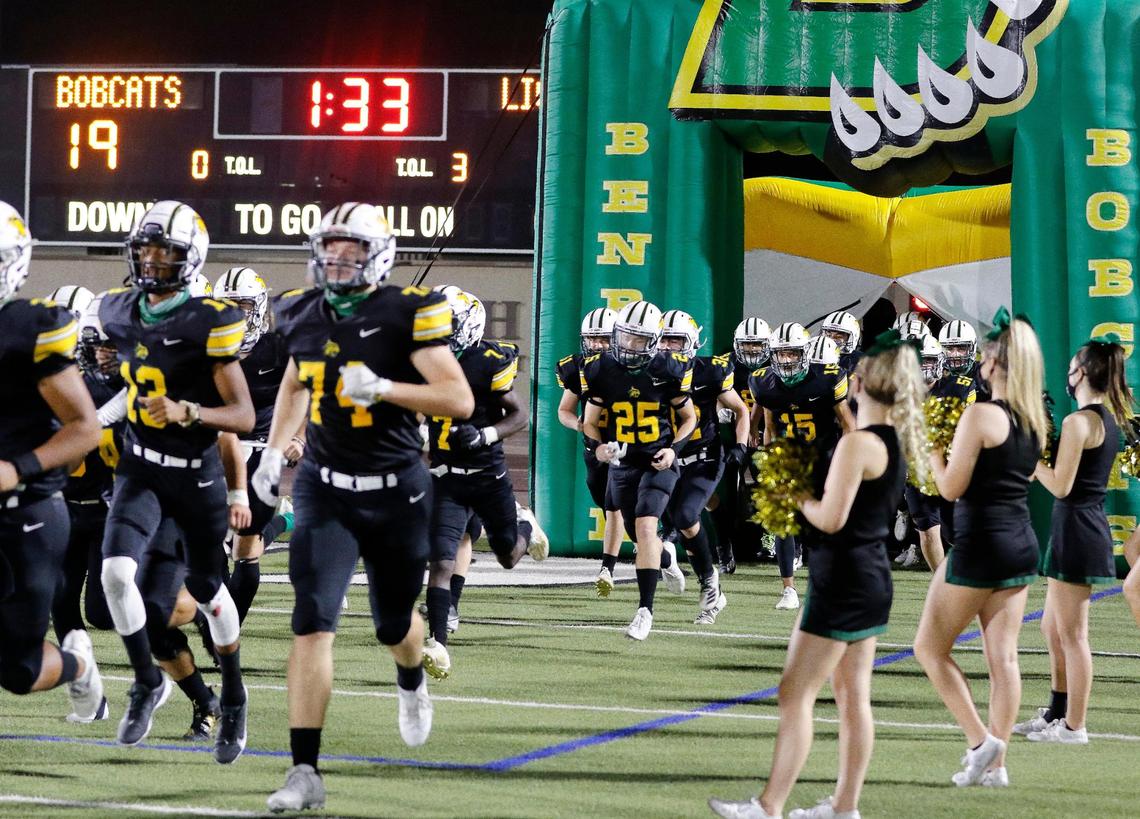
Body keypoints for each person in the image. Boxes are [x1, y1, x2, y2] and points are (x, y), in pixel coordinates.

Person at [254, 203, 474, 812]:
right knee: (312, 619)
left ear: (376, 255)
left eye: (350, 249)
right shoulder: (299, 308)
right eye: (329, 246)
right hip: (325, 489)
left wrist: (384, 388)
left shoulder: (409, 312)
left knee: (392, 625)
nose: (336, 259)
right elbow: (298, 379)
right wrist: (276, 452)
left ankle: (410, 678)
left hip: (396, 491)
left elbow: (457, 399)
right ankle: (305, 771)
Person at [710, 330, 925, 819]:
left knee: (795, 692)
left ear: (869, 383)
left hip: (843, 578)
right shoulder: (890, 441)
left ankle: (769, 806)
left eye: (859, 373)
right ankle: (844, 806)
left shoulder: (859, 444)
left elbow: (829, 518)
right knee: (852, 697)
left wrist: (790, 492)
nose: (851, 376)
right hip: (868, 577)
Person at [98, 200, 255, 761]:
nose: (152, 259)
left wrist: (189, 412)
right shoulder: (116, 310)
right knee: (116, 575)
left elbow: (242, 416)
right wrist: (98, 419)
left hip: (194, 480)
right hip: (141, 471)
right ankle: (146, 679)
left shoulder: (209, 319)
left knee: (210, 590)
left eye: (167, 250)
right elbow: (135, 381)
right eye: (145, 247)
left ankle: (233, 693)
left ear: (191, 258)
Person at [913, 307, 1048, 787]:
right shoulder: (1037, 419)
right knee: (1004, 659)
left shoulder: (981, 414)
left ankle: (979, 741)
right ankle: (997, 767)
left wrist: (931, 445)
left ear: (991, 363)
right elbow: (1025, 475)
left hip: (980, 545)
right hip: (1020, 543)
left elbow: (948, 488)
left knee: (928, 648)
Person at [0, 200, 104, 722]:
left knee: (17, 670)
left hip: (27, 513)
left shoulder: (27, 331)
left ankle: (79, 667)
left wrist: (16, 468)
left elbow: (86, 428)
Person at [421, 285, 547, 680]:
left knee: (509, 556)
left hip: (486, 474)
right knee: (439, 561)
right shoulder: (422, 358)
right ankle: (437, 643)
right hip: (445, 477)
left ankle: (523, 522)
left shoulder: (488, 360)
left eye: (447, 323)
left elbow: (519, 414)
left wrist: (485, 434)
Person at [1015, 337, 1132, 744]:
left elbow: (1062, 486)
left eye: (1070, 367)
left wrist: (1032, 463)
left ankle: (1075, 726)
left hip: (1078, 528)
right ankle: (1057, 710)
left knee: (1074, 633)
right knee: (1052, 627)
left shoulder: (1079, 422)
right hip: (1076, 527)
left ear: (1082, 372)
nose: (1067, 373)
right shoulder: (1102, 417)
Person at [581, 300, 695, 641]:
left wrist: (673, 450)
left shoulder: (669, 368)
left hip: (657, 462)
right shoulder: (600, 368)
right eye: (626, 337)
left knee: (646, 528)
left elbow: (689, 417)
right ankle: (666, 559)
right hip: (623, 464)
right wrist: (596, 447)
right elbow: (589, 422)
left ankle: (644, 610)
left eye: (639, 339)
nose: (630, 346)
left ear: (654, 341)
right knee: (640, 535)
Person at [213, 266, 302, 624]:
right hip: (216, 449)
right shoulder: (208, 350)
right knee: (210, 544)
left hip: (263, 451)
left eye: (243, 306)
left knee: (246, 550)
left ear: (261, 308)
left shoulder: (279, 350)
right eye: (227, 306)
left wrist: (299, 437)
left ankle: (225, 635)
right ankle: (218, 626)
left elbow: (307, 394)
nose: (235, 314)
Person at [51, 291, 123, 723]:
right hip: (64, 506)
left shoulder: (116, 386)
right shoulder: (52, 384)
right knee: (60, 601)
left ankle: (162, 671)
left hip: (108, 506)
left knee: (100, 610)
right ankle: (90, 692)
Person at [751, 322, 854, 610]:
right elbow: (769, 424)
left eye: (792, 353)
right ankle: (789, 589)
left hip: (824, 455)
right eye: (780, 354)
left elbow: (848, 424)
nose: (785, 360)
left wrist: (845, 460)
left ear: (805, 353)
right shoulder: (764, 382)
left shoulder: (826, 378)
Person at [659, 309, 748, 624]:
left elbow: (741, 410)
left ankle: (710, 585)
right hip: (666, 458)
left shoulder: (710, 372)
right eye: (664, 339)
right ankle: (700, 576)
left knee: (685, 515)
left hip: (704, 457)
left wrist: (740, 445)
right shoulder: (651, 373)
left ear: (692, 343)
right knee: (655, 521)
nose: (669, 346)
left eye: (676, 339)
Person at [557, 307, 626, 595]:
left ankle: (607, 567)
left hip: (626, 445)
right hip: (594, 446)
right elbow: (564, 410)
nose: (597, 345)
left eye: (604, 339)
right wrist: (579, 425)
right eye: (592, 339)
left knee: (615, 506)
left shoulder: (628, 366)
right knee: (606, 501)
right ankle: (662, 556)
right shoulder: (578, 368)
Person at [897, 336, 976, 570]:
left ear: (940, 362)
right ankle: (941, 584)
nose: (923, 367)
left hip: (951, 469)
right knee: (928, 533)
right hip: (918, 473)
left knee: (956, 534)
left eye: (929, 361)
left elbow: (968, 430)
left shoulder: (959, 387)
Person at [708, 317, 771, 574]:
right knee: (727, 491)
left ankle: (770, 537)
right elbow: (710, 394)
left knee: (766, 487)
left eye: (758, 345)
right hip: (730, 434)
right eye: (747, 345)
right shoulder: (725, 364)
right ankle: (727, 542)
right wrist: (719, 407)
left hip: (766, 432)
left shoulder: (775, 365)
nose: (753, 351)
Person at [940, 318, 988, 402]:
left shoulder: (984, 374)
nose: (955, 354)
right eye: (949, 349)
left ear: (972, 348)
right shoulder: (938, 378)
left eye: (961, 348)